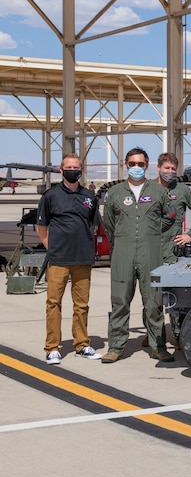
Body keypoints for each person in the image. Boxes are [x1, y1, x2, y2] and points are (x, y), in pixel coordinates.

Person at [102, 147, 174, 364]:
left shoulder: (159, 192)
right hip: (123, 252)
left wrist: (151, 232)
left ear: (147, 165)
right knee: (120, 300)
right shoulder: (115, 193)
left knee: (153, 302)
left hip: (150, 252)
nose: (136, 168)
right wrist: (124, 237)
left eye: (140, 164)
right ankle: (115, 347)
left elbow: (170, 216)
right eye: (132, 164)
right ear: (126, 165)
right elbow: (108, 223)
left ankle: (158, 346)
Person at [36, 154, 101, 364]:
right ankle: (52, 347)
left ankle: (82, 344)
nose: (73, 170)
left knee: (81, 305)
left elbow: (93, 225)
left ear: (81, 170)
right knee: (53, 303)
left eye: (77, 167)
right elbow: (41, 227)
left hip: (82, 258)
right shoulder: (50, 196)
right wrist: (52, 248)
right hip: (59, 259)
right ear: (61, 170)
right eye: (69, 167)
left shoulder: (90, 196)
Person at [157, 152, 191, 264]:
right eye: (167, 168)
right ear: (158, 167)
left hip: (171, 251)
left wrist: (190, 235)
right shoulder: (148, 188)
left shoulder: (182, 190)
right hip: (149, 248)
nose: (170, 171)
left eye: (173, 169)